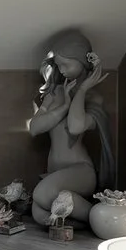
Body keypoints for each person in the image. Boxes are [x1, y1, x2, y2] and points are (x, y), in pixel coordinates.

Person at [27, 28, 113, 226]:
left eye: (66, 64)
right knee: (38, 211)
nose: (62, 70)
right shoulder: (55, 93)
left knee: (41, 194)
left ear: (82, 62)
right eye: (58, 65)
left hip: (80, 172)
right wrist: (63, 106)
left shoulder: (93, 98)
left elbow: (75, 127)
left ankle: (100, 217)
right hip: (55, 174)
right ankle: (72, 211)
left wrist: (82, 90)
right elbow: (34, 128)